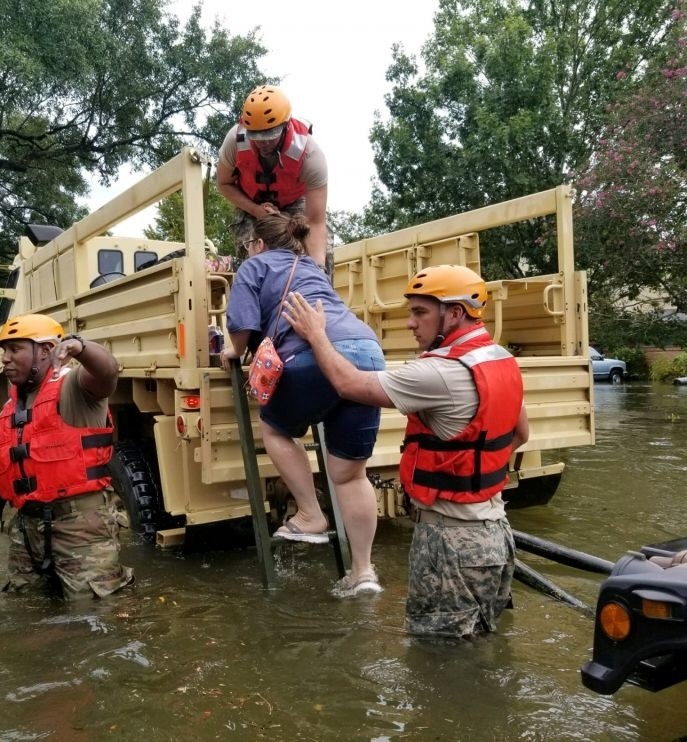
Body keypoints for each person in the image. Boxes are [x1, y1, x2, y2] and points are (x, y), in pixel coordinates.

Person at [283, 265, 530, 637]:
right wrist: (469, 469)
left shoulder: (438, 373)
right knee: (478, 650)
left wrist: (317, 335)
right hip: (495, 534)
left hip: (452, 545)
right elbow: (520, 434)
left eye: (420, 312)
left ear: (455, 313)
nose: (410, 324)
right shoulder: (499, 360)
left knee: (438, 664)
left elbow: (348, 383)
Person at [220, 212, 385, 596]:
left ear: (257, 244)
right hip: (368, 352)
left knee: (276, 428)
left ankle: (310, 513)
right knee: (350, 474)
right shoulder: (310, 266)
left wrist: (233, 351)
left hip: (314, 357)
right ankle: (363, 572)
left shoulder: (254, 265)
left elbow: (241, 328)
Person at [0, 313, 134, 600]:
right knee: (26, 610)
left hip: (80, 527)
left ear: (46, 351)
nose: (5, 358)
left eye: (15, 349)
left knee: (92, 617)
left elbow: (107, 373)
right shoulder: (11, 407)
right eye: (3, 350)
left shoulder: (75, 388)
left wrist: (80, 347)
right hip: (28, 530)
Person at [216, 84, 329, 269]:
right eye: (257, 136)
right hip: (250, 204)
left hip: (295, 204)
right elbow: (224, 184)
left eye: (270, 135)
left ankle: (320, 291)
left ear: (285, 125)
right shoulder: (234, 142)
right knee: (255, 255)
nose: (263, 143)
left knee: (319, 253)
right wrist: (255, 209)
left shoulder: (310, 154)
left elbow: (316, 221)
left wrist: (317, 270)